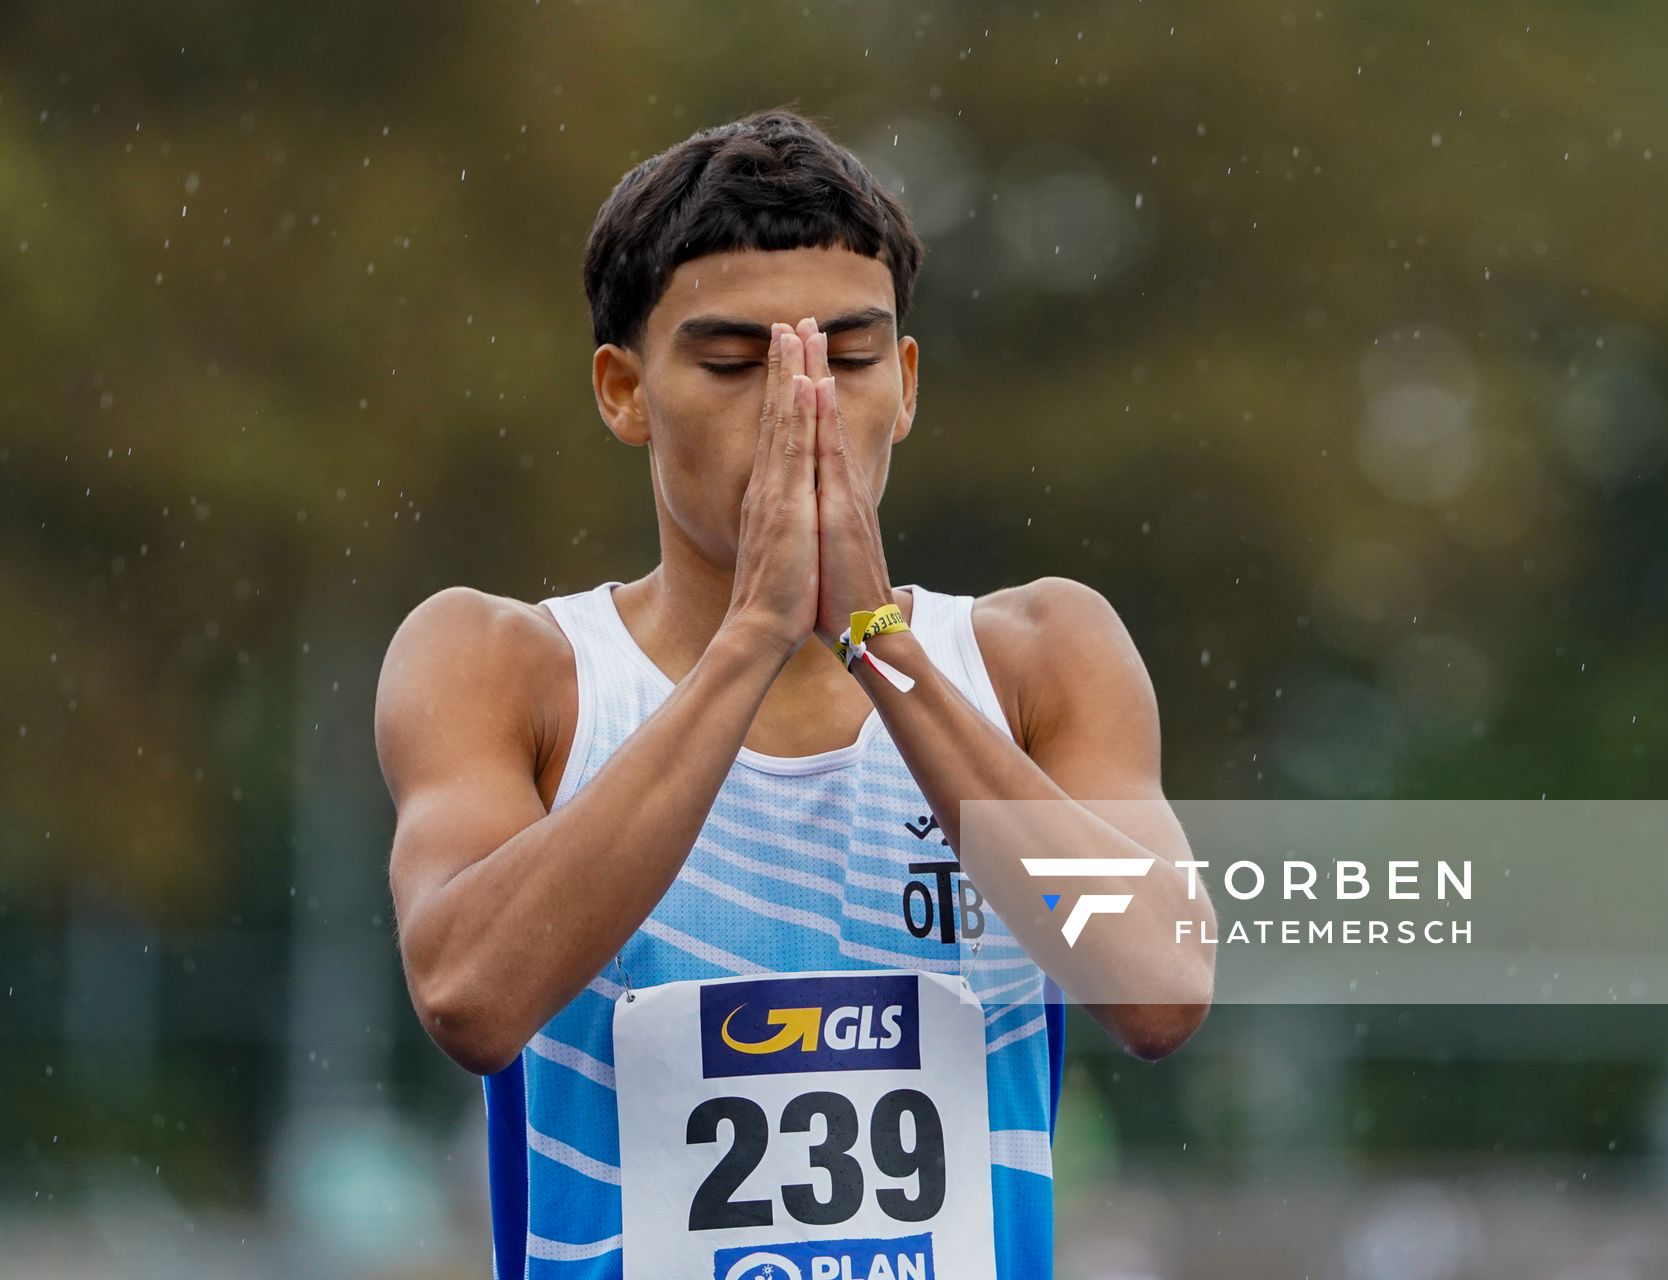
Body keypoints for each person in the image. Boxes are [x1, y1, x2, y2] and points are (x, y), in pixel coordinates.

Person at [374, 106, 1215, 1280]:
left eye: (850, 359)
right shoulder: (507, 665)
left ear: (906, 384)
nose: (799, 409)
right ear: (624, 391)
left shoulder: (1038, 654)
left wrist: (876, 642)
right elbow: (470, 995)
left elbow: (1162, 988)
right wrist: (753, 638)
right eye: (731, 365)